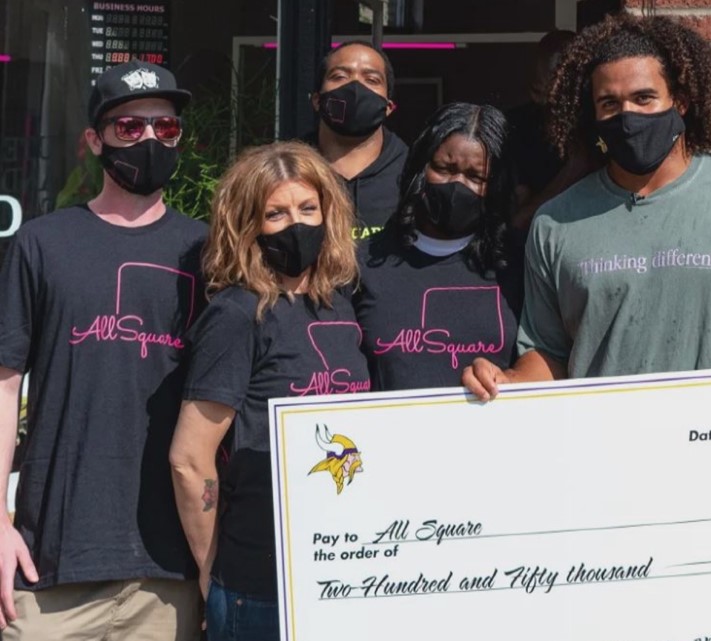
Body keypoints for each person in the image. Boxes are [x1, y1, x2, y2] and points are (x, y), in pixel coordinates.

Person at [463, 14, 711, 398]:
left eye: (644, 98)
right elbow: (548, 353)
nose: (628, 116)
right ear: (591, 115)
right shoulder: (556, 222)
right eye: (609, 103)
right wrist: (507, 382)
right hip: (608, 445)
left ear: (682, 100)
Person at [0, 60, 204, 639]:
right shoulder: (43, 243)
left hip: (169, 571)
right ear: (95, 140)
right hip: (49, 566)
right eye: (129, 127)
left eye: (164, 130)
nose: (148, 140)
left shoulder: (209, 251)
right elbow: (4, 383)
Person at [169, 142, 369, 641]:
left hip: (340, 570)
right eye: (275, 214)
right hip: (259, 583)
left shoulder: (339, 305)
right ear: (247, 226)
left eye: (307, 209)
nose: (295, 225)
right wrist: (212, 569)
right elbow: (190, 459)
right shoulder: (238, 314)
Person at [355, 103, 522, 390]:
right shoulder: (365, 260)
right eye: (445, 169)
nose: (457, 184)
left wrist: (511, 380)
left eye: (475, 177)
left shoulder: (517, 263)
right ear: (420, 166)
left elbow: (547, 353)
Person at [308, 41, 408, 240]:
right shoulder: (286, 170)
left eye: (371, 79)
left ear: (388, 106)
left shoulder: (414, 175)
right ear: (317, 100)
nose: (355, 87)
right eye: (339, 76)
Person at [505, 30, 583, 230]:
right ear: (536, 89)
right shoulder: (516, 128)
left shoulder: (600, 123)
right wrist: (573, 170)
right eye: (558, 85)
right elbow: (519, 220)